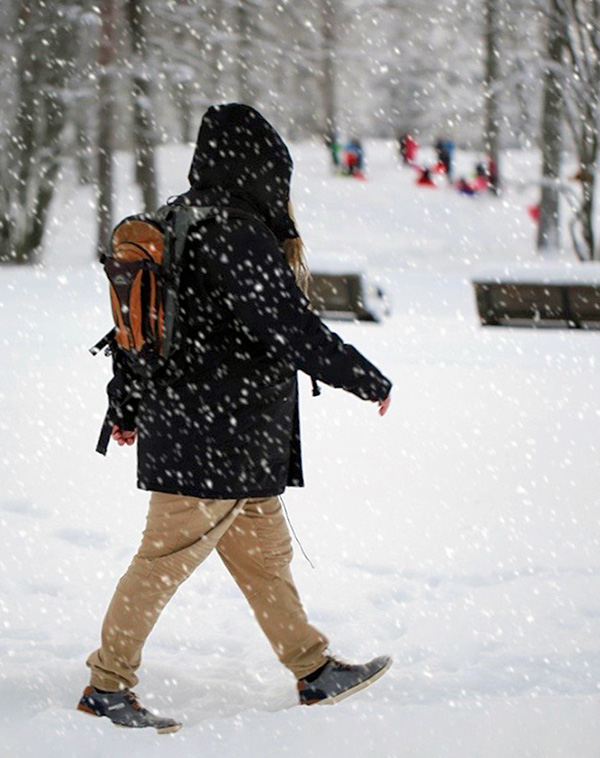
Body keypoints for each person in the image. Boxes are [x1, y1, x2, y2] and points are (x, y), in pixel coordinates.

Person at [77, 103, 393, 734]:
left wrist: (129, 404)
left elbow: (135, 334)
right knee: (164, 557)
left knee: (264, 557)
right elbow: (287, 325)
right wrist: (363, 376)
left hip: (219, 433)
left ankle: (313, 668)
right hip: (215, 434)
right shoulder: (234, 230)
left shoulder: (175, 219)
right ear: (261, 167)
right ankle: (106, 686)